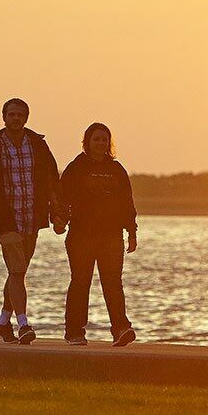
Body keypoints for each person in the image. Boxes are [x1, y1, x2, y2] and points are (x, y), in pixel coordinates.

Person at [0, 98, 63, 345]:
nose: (16, 118)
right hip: (5, 219)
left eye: (20, 114)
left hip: (32, 217)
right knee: (17, 271)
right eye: (11, 114)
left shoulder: (38, 145)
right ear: (3, 117)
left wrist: (58, 213)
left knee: (17, 275)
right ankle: (23, 324)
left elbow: (52, 180)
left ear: (26, 117)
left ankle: (3, 322)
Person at [57, 122, 138, 347]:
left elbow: (127, 203)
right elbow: (62, 197)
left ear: (109, 143)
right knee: (80, 282)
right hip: (81, 236)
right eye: (96, 139)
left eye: (104, 139)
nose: (100, 143)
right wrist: (60, 220)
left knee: (113, 283)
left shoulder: (117, 169)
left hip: (111, 237)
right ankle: (74, 331)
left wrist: (131, 232)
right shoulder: (77, 167)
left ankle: (121, 329)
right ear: (87, 142)